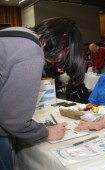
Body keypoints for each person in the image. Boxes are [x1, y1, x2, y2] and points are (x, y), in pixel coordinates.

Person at [0, 17, 85, 170]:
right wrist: (47, 133)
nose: (56, 63)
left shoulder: (16, 34)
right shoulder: (31, 51)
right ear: (63, 39)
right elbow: (14, 120)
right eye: (64, 56)